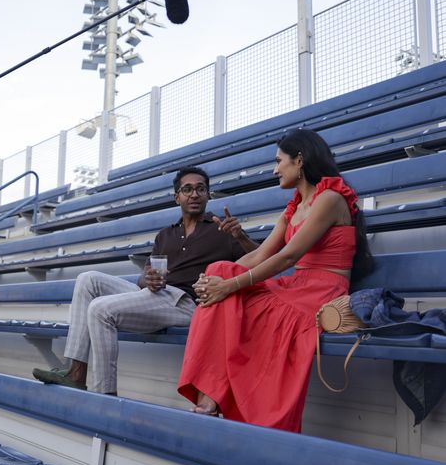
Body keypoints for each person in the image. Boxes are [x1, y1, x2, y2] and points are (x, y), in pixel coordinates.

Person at [177, 128, 374, 433]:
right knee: (219, 268)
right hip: (296, 285)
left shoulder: (331, 199)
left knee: (236, 295)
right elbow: (259, 256)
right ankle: (209, 397)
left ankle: (219, 402)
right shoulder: (294, 206)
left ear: (299, 160)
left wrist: (228, 286)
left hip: (321, 292)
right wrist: (211, 279)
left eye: (279, 161)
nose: (275, 169)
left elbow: (287, 258)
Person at [32, 167, 258, 394]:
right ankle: (76, 372)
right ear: (176, 196)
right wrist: (146, 279)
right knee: (87, 279)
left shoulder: (222, 230)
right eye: (187, 189)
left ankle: (105, 394)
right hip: (156, 295)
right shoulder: (165, 234)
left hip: (186, 303)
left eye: (201, 189)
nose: (194, 194)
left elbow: (262, 259)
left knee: (100, 309)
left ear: (208, 195)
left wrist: (241, 237)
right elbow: (146, 275)